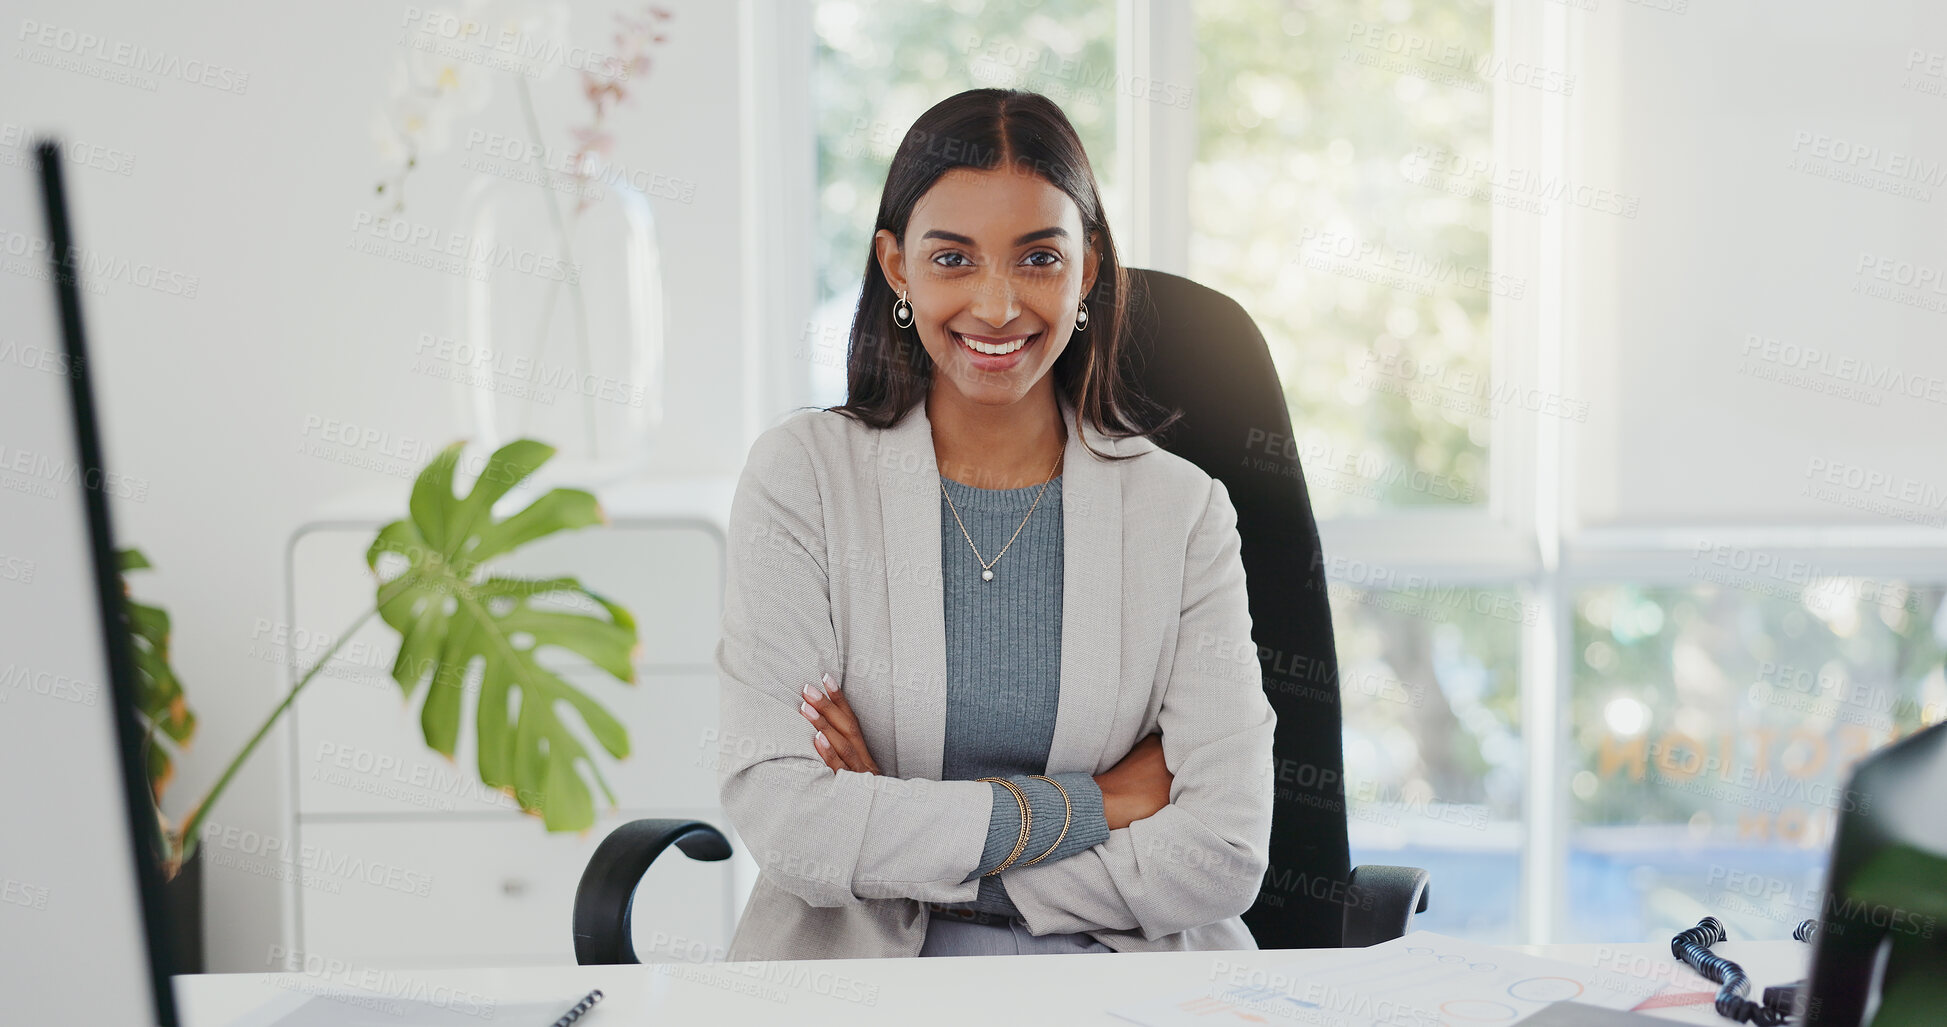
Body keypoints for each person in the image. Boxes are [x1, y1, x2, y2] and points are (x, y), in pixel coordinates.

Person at [715, 87, 1276, 961]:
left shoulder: (1181, 510)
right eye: (952, 259)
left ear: (1086, 269)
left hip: (1116, 970)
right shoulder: (804, 477)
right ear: (896, 268)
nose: (996, 305)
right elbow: (792, 826)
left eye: (1037, 259)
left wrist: (895, 825)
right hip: (858, 969)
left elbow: (1222, 852)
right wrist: (1102, 803)